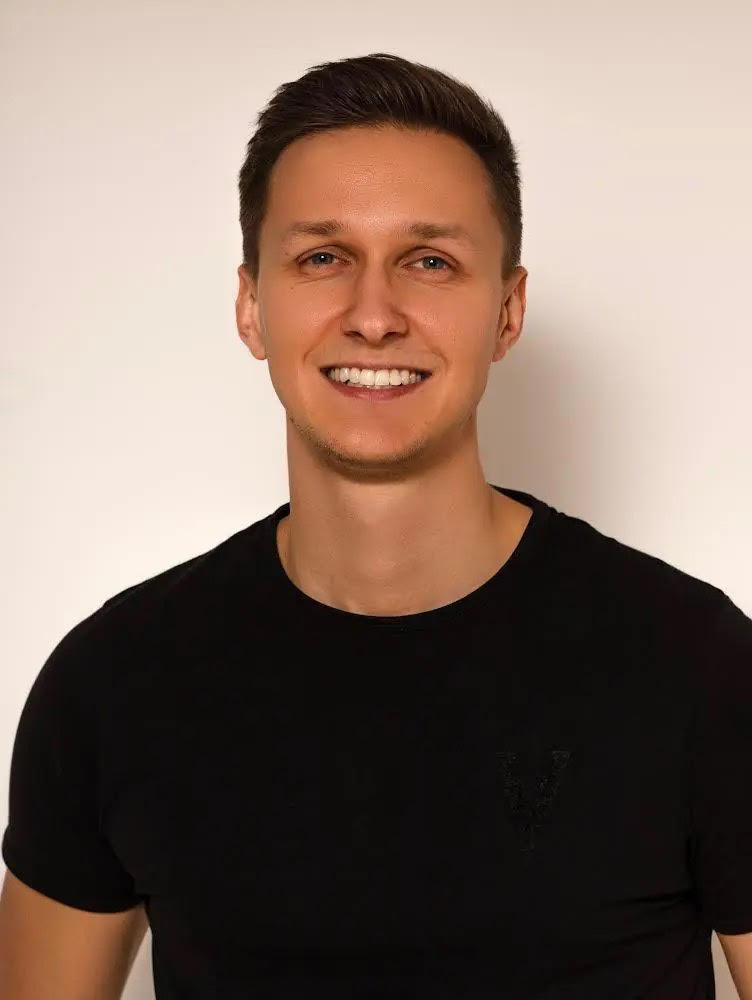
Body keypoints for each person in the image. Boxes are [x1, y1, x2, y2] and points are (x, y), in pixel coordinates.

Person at [1, 51, 750, 1000]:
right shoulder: (110, 683)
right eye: (323, 258)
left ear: (508, 310)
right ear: (251, 306)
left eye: (429, 262)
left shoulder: (698, 665)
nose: (374, 315)